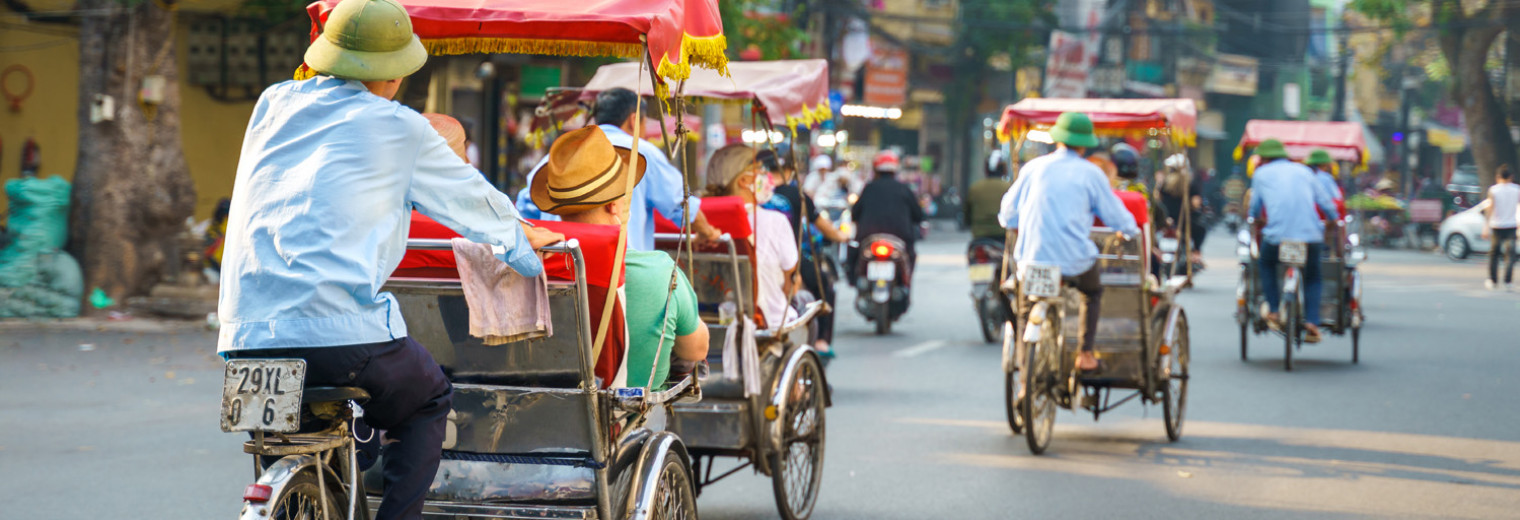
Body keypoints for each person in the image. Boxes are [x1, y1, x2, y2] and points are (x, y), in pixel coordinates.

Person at [216, 1, 565, 518]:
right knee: (427, 400)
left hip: (244, 337)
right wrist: (519, 238)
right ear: (396, 72)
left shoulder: (273, 103)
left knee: (301, 432)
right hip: (338, 334)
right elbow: (469, 199)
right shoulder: (400, 127)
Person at [530, 126, 710, 386]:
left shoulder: (530, 266)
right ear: (614, 205)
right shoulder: (659, 271)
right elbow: (696, 350)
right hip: (624, 415)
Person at [998, 112, 1141, 372]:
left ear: (1057, 139)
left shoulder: (1033, 168)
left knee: (1024, 311)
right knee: (1092, 292)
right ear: (1084, 144)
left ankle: (1022, 379)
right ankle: (1085, 354)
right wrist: (1129, 231)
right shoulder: (1090, 173)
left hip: (1031, 259)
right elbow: (1117, 216)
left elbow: (1007, 213)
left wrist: (1016, 224)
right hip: (1074, 260)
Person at [523, 88, 720, 251]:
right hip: (623, 270)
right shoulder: (641, 152)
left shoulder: (559, 155)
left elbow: (526, 210)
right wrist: (707, 233)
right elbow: (680, 204)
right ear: (634, 120)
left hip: (557, 273)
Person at [1249, 139, 1340, 343]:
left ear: (1263, 159)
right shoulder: (1305, 172)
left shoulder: (1261, 174)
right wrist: (1333, 220)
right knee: (1313, 276)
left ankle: (1273, 309)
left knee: (1266, 263)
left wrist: (1255, 219)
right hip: (1311, 236)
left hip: (1277, 236)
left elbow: (1255, 207)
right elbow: (1326, 202)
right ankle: (1312, 322)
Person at [758, 149, 846, 356]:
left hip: (753, 255)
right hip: (787, 259)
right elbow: (822, 225)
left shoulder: (751, 195)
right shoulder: (797, 195)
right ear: (789, 170)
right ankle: (822, 341)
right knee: (824, 285)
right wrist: (841, 237)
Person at [706, 144, 800, 330]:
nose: (765, 174)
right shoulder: (776, 221)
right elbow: (791, 283)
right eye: (760, 169)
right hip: (766, 323)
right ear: (743, 180)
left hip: (706, 320)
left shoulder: (700, 221)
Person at [850, 150, 927, 279]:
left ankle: (855, 280)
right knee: (911, 256)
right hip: (900, 238)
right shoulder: (904, 189)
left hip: (868, 238)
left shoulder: (868, 188)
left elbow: (855, 214)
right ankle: (905, 284)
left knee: (853, 253)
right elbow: (918, 215)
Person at [1158, 153, 1205, 270]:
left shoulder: (1164, 184)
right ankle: (1196, 253)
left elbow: (1158, 200)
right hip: (1185, 222)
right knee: (1201, 229)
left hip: (1166, 220)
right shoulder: (1190, 183)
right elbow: (1196, 203)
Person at [1482, 165, 1520, 290]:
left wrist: (1486, 227)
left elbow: (1490, 208)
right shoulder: (1517, 190)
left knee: (1494, 254)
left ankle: (1493, 280)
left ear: (1498, 177)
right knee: (1510, 255)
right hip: (1511, 226)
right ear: (1511, 177)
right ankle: (1508, 281)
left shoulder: (1493, 190)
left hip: (1496, 225)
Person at [964, 150, 1014, 243]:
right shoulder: (1010, 187)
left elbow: (967, 215)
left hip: (979, 236)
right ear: (1004, 169)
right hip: (1003, 236)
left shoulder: (975, 188)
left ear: (986, 169)